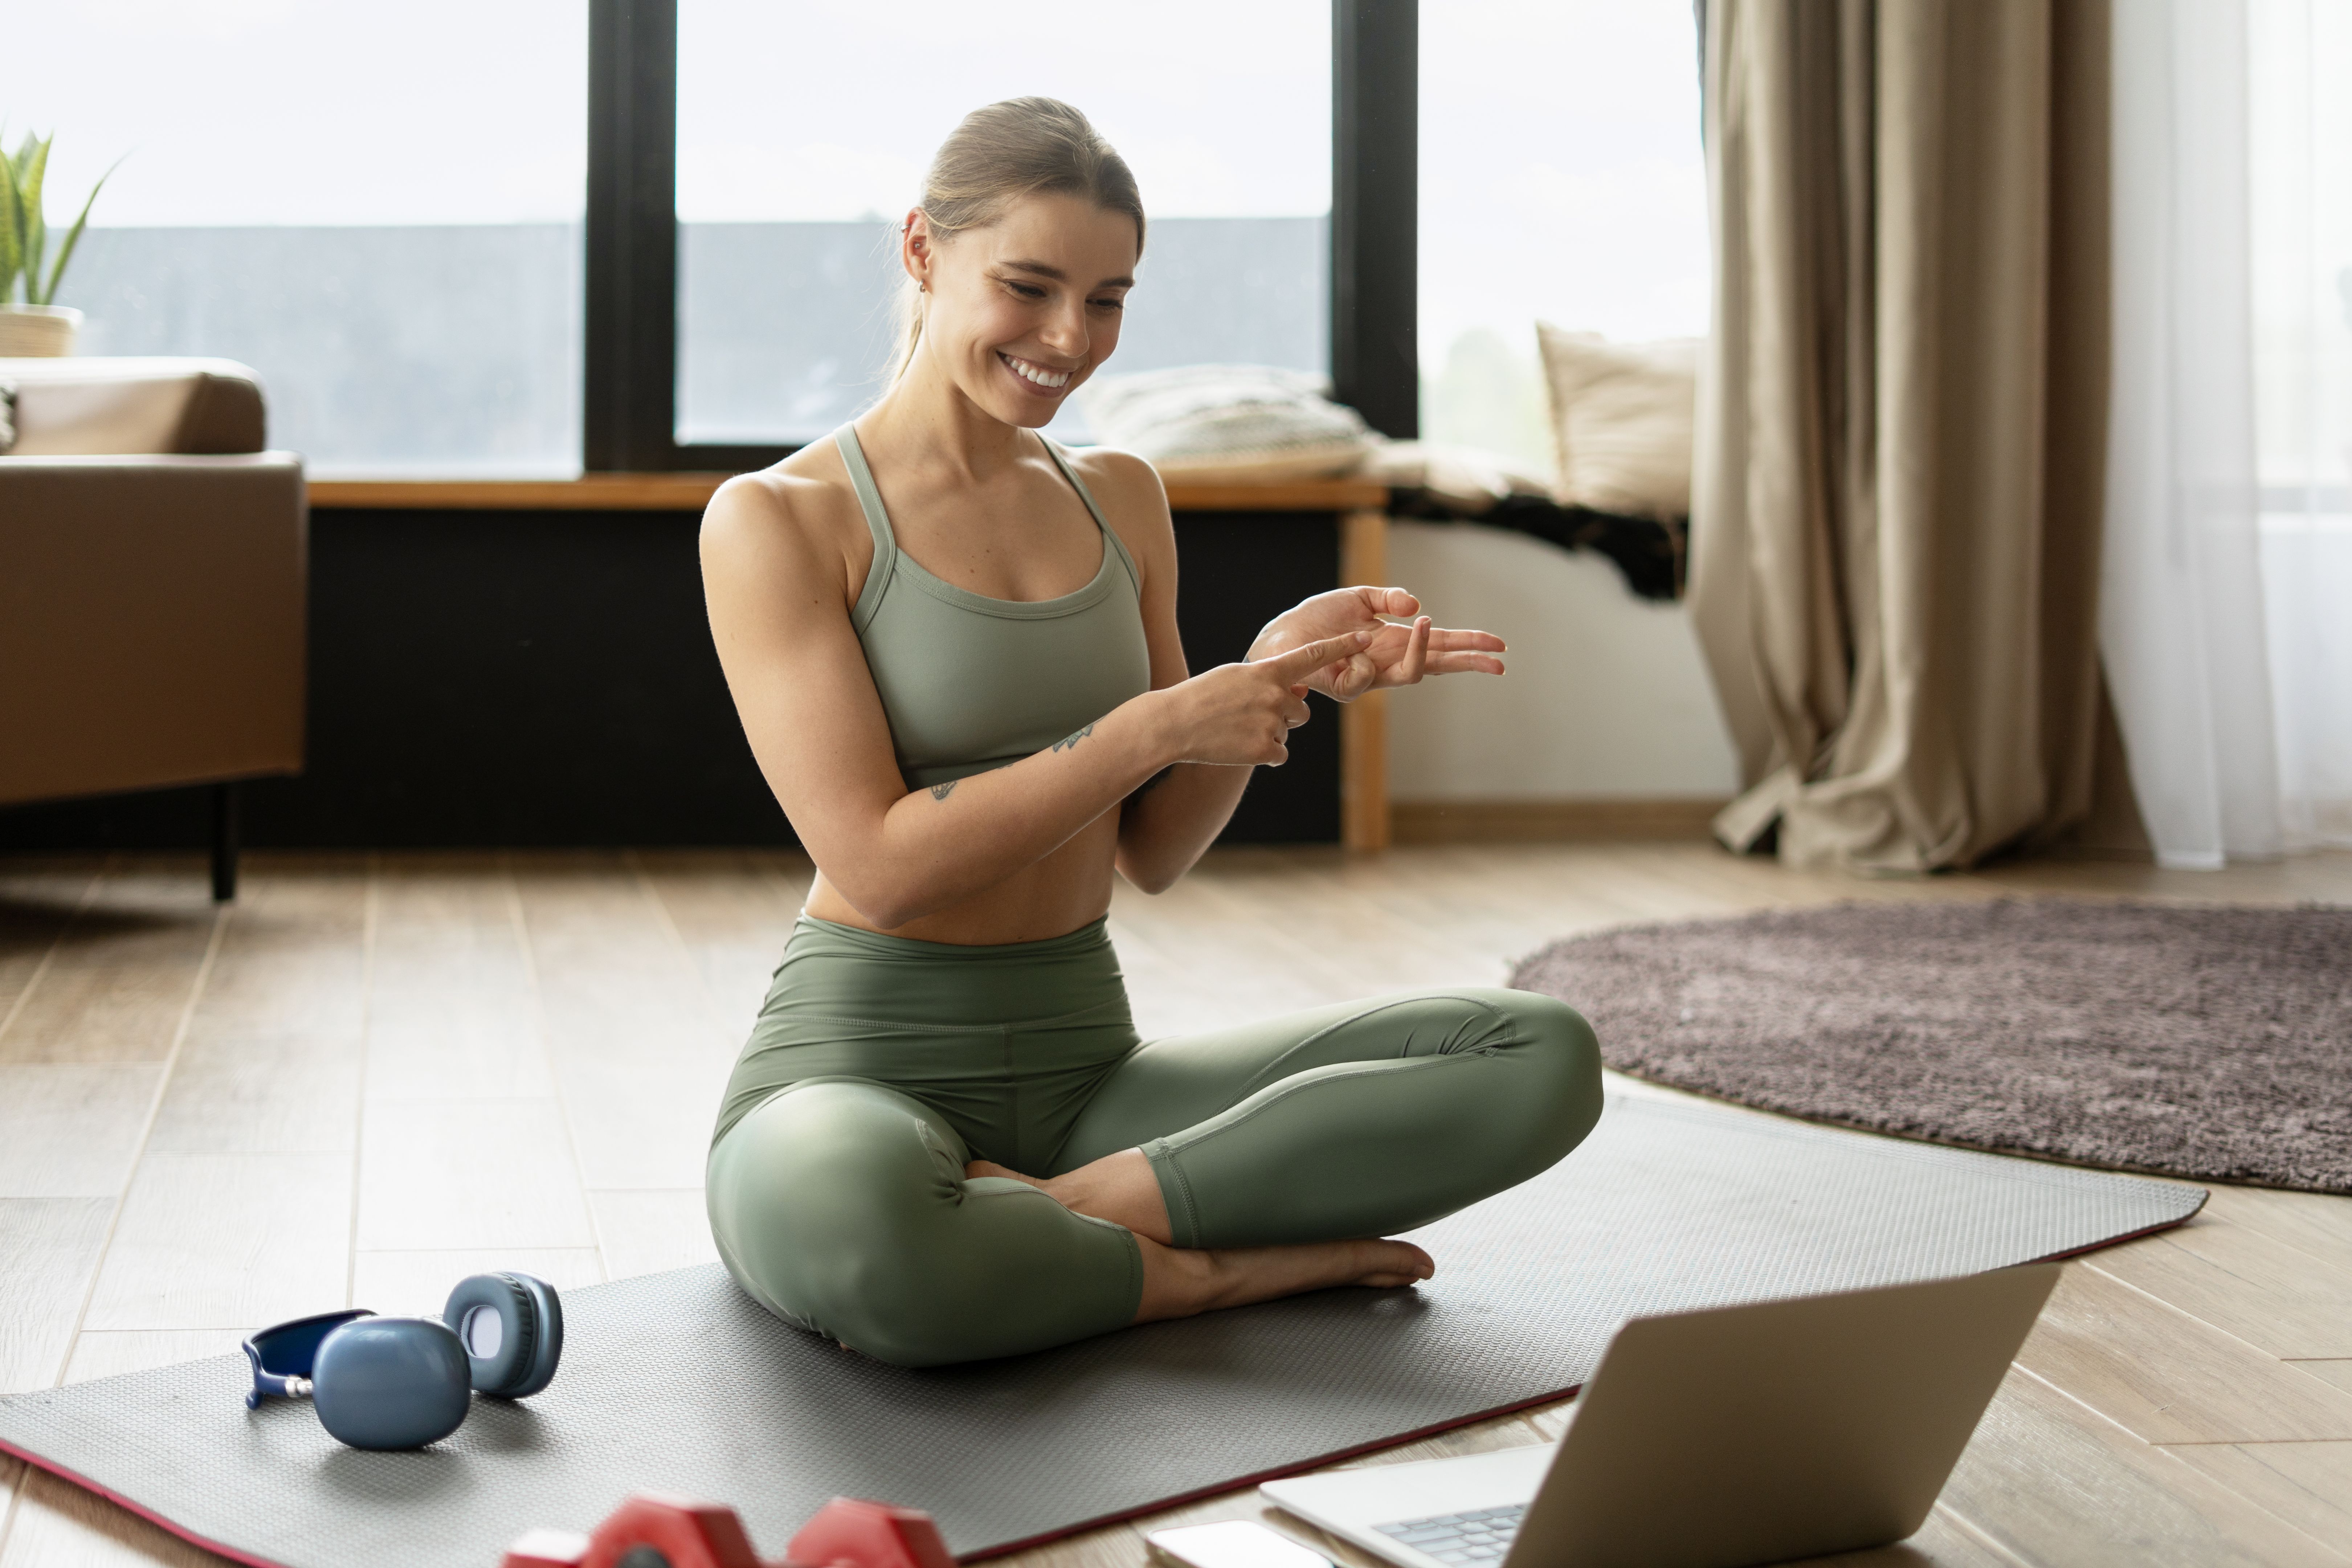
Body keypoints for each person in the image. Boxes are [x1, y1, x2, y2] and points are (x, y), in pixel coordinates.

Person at [699, 97, 1602, 1368]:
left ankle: (1064, 1229)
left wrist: (1271, 675)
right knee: (868, 1229)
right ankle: (1202, 1278)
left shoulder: (1120, 496)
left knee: (1540, 1052)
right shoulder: (780, 520)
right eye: (1028, 286)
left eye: (1109, 299)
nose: (1070, 339)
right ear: (921, 251)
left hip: (1090, 1077)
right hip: (857, 1073)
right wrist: (1158, 722)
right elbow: (885, 869)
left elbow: (1156, 849)